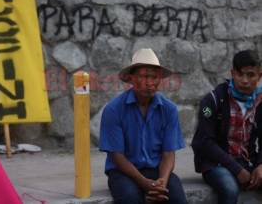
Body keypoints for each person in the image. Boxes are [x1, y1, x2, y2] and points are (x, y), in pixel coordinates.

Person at [99, 48, 187, 204]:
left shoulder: (169, 109)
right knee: (131, 198)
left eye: (154, 77)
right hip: (122, 173)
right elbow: (117, 156)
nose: (150, 83)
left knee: (178, 198)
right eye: (144, 76)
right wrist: (144, 183)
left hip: (156, 170)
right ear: (132, 79)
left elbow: (168, 154)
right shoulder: (114, 109)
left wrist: (162, 182)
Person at [192, 49, 262, 204]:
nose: (244, 80)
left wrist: (261, 165)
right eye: (240, 74)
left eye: (251, 75)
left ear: (259, 76)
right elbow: (204, 142)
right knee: (230, 188)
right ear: (232, 73)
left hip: (247, 160)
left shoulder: (260, 101)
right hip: (216, 163)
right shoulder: (212, 101)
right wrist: (237, 170)